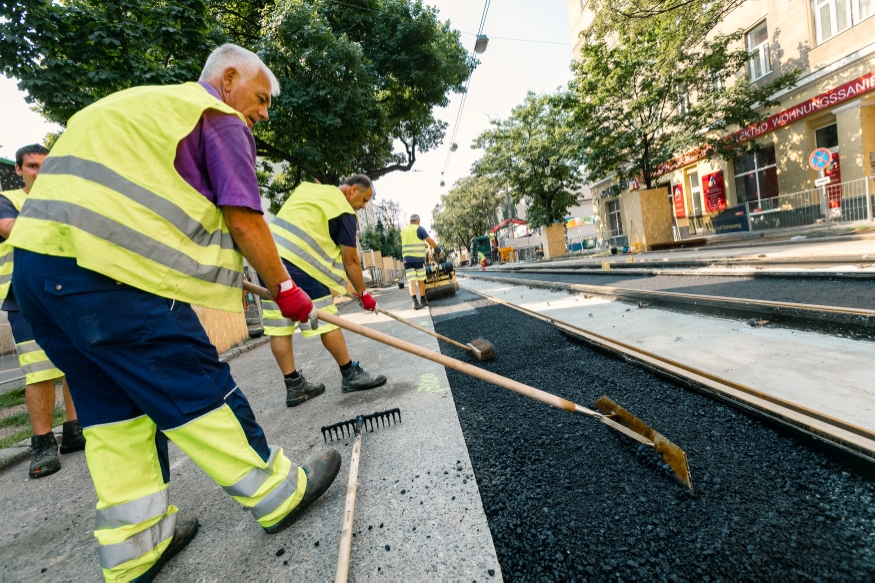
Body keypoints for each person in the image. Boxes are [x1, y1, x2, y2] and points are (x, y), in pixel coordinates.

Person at [8, 44, 340, 582]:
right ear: (228, 78)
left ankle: (136, 549)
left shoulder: (136, 105)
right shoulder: (214, 116)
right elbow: (244, 219)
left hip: (40, 279)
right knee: (190, 381)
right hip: (110, 275)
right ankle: (277, 493)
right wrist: (286, 288)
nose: (261, 113)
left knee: (113, 414)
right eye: (260, 99)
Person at [262, 175, 387, 407]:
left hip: (266, 259)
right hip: (303, 266)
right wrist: (364, 294)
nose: (363, 206)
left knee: (278, 327)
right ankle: (350, 374)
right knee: (327, 320)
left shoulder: (308, 189)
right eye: (364, 199)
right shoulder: (343, 210)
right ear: (353, 189)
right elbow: (351, 261)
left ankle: (294, 387)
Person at [0, 144, 86, 479]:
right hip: (25, 297)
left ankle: (73, 430)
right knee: (40, 371)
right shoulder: (9, 199)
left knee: (74, 363)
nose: (40, 172)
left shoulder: (64, 200)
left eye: (46, 166)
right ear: (19, 170)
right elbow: (8, 228)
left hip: (66, 292)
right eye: (33, 166)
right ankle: (42, 442)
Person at [400, 214, 437, 310]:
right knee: (421, 280)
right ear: (418, 221)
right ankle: (423, 300)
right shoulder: (419, 229)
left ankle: (415, 302)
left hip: (407, 259)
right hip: (418, 259)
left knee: (411, 281)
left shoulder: (403, 230)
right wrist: (437, 248)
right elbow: (429, 240)